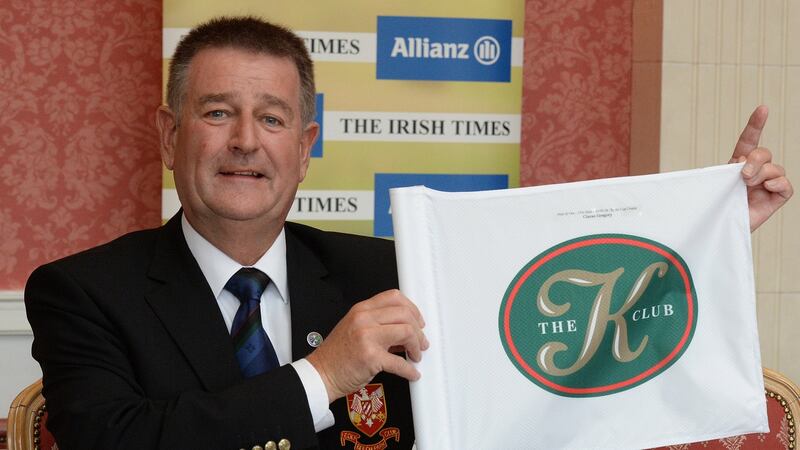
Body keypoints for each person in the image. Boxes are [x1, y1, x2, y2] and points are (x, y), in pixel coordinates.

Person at [24, 15, 792, 450]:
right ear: (169, 135)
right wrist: (324, 375)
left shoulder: (392, 272)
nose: (246, 142)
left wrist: (703, 234)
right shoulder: (84, 293)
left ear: (307, 147)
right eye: (218, 113)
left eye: (273, 118)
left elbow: (549, 358)